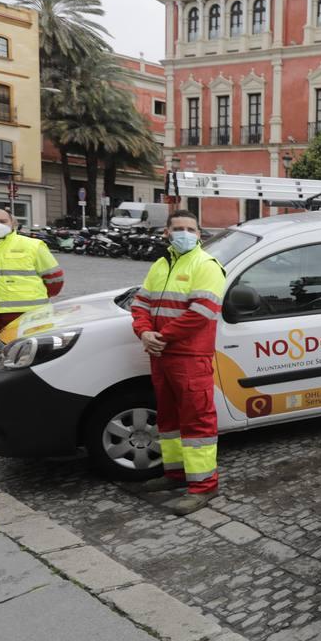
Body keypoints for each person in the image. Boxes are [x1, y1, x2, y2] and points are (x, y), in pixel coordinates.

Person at [128, 210, 225, 516]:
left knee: (197, 421)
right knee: (169, 420)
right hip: (161, 354)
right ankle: (175, 475)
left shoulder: (206, 265)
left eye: (190, 228)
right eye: (178, 228)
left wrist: (160, 336)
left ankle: (203, 486)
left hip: (189, 356)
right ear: (167, 232)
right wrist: (144, 332)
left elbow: (202, 312)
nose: (184, 233)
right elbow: (140, 303)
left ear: (199, 234)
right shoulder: (160, 264)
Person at [0, 208, 64, 341]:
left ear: (12, 223)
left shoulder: (33, 245)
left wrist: (42, 295)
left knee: (30, 352)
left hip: (29, 313)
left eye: (3, 221)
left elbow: (55, 278)